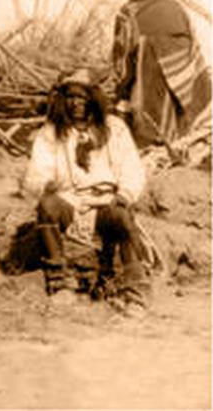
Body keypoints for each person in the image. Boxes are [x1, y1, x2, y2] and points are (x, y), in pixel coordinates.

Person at [22, 68, 148, 315]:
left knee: (122, 216)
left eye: (83, 97)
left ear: (94, 99)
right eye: (71, 97)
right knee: (47, 206)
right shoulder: (52, 132)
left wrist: (124, 195)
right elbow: (37, 171)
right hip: (70, 199)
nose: (77, 103)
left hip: (106, 200)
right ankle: (61, 284)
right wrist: (45, 184)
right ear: (63, 100)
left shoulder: (115, 128)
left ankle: (134, 293)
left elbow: (133, 168)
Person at [112, 0, 211, 150]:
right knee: (140, 110)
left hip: (170, 73)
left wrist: (156, 49)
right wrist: (133, 61)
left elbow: (189, 44)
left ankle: (172, 143)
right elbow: (120, 47)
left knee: (171, 111)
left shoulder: (173, 8)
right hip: (140, 72)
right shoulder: (127, 11)